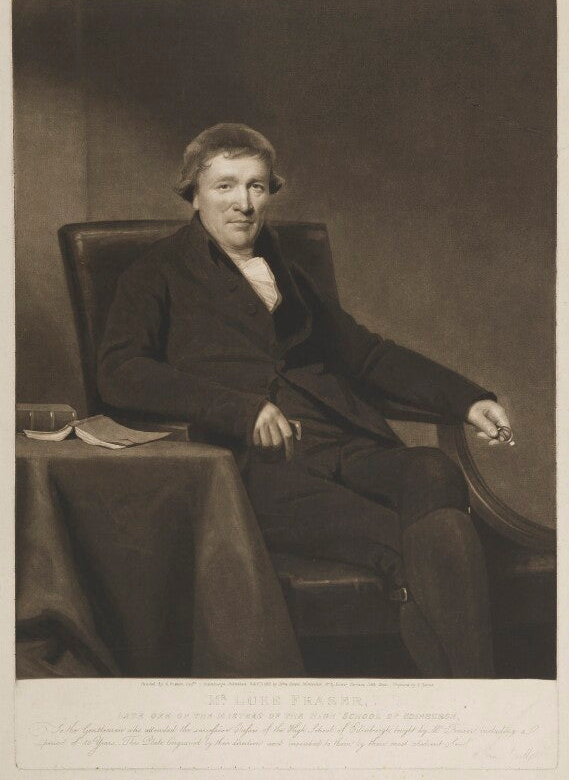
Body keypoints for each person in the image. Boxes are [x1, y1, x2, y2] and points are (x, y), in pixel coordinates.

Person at [97, 123, 513, 678]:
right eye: (225, 186)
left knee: (433, 471)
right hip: (256, 467)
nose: (243, 203)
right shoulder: (155, 272)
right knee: (422, 543)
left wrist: (467, 400)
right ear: (193, 193)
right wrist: (240, 409)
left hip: (343, 440)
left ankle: (470, 696)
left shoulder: (286, 267)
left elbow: (366, 355)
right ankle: (474, 699)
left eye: (256, 186)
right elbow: (121, 372)